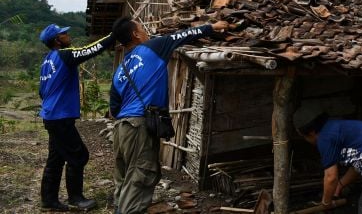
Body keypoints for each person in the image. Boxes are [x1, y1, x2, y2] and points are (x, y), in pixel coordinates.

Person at [110, 17, 229, 214]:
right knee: (140, 175)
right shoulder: (152, 48)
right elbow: (183, 35)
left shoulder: (119, 70)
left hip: (121, 127)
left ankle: (119, 209)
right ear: (135, 34)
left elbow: (114, 108)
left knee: (123, 177)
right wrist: (213, 27)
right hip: (139, 126)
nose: (145, 31)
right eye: (142, 28)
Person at [38, 24, 115, 211]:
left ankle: (49, 200)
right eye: (63, 33)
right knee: (78, 155)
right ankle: (76, 199)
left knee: (56, 158)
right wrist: (114, 36)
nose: (67, 35)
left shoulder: (47, 61)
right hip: (60, 117)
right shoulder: (65, 55)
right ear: (57, 40)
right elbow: (91, 50)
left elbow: (42, 92)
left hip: (51, 114)